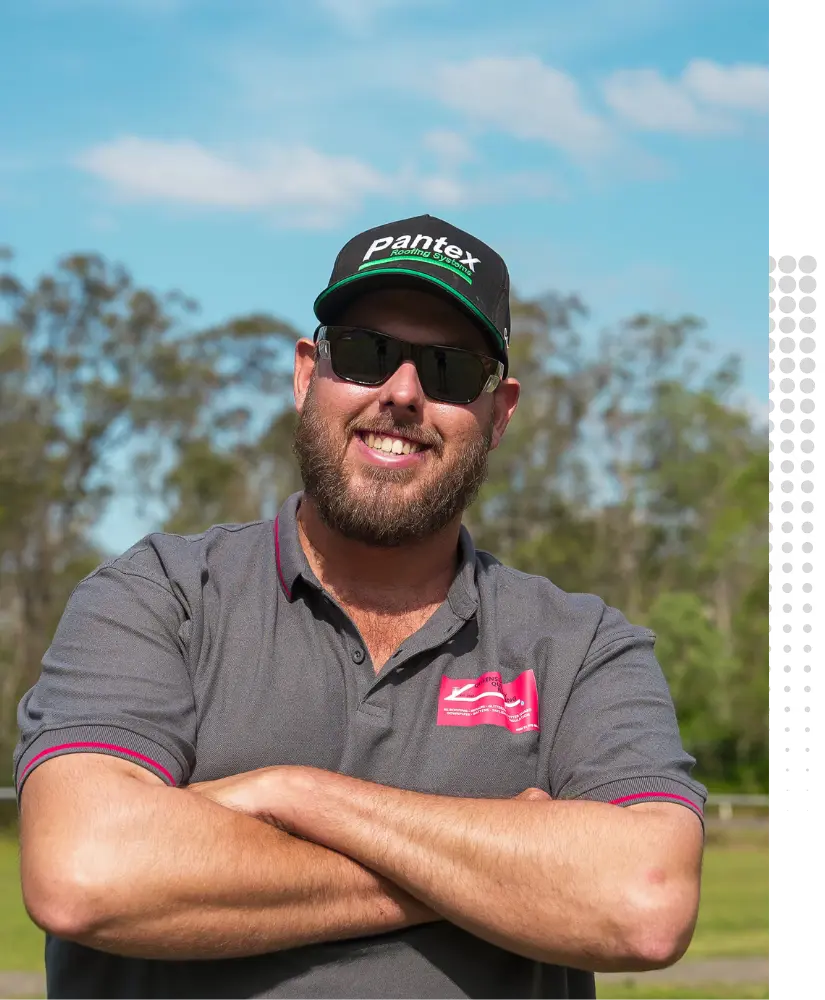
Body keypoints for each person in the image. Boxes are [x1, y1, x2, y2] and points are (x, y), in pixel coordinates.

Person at [16, 215, 705, 1000]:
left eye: (448, 371)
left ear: (499, 413)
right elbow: (86, 873)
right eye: (365, 354)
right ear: (308, 374)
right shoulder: (159, 596)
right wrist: (497, 873)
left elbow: (643, 904)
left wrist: (292, 794)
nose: (402, 393)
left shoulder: (581, 646)